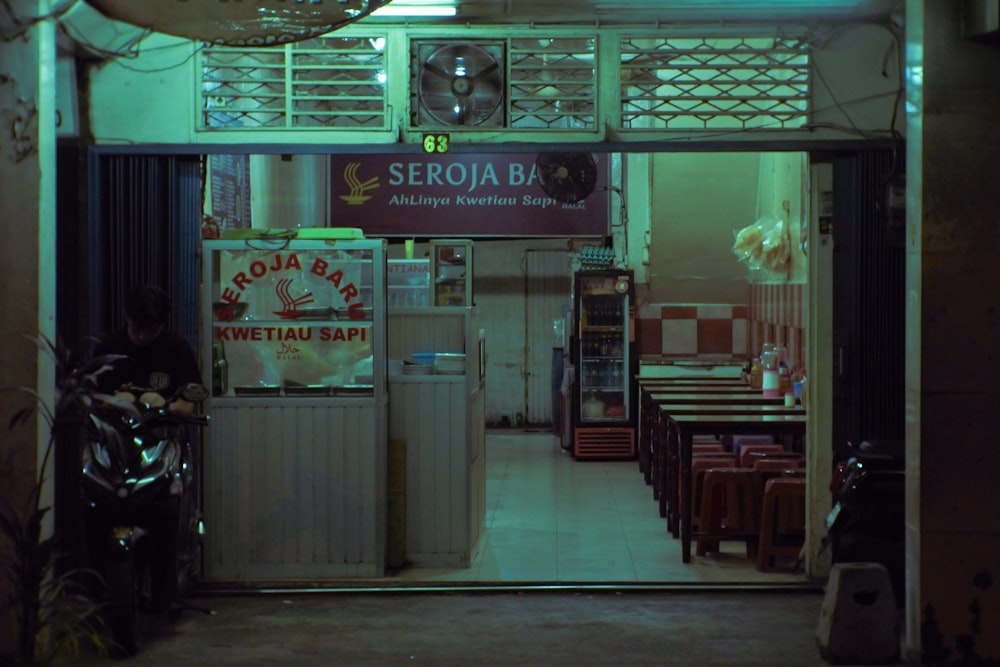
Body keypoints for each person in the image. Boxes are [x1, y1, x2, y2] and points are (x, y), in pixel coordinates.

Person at [94, 284, 203, 413]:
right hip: (117, 430)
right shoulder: (107, 348)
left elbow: (187, 406)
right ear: (127, 316)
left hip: (163, 429)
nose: (142, 336)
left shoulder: (178, 349)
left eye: (151, 330)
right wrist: (113, 401)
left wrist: (163, 405)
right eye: (137, 328)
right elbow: (93, 401)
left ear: (162, 323)